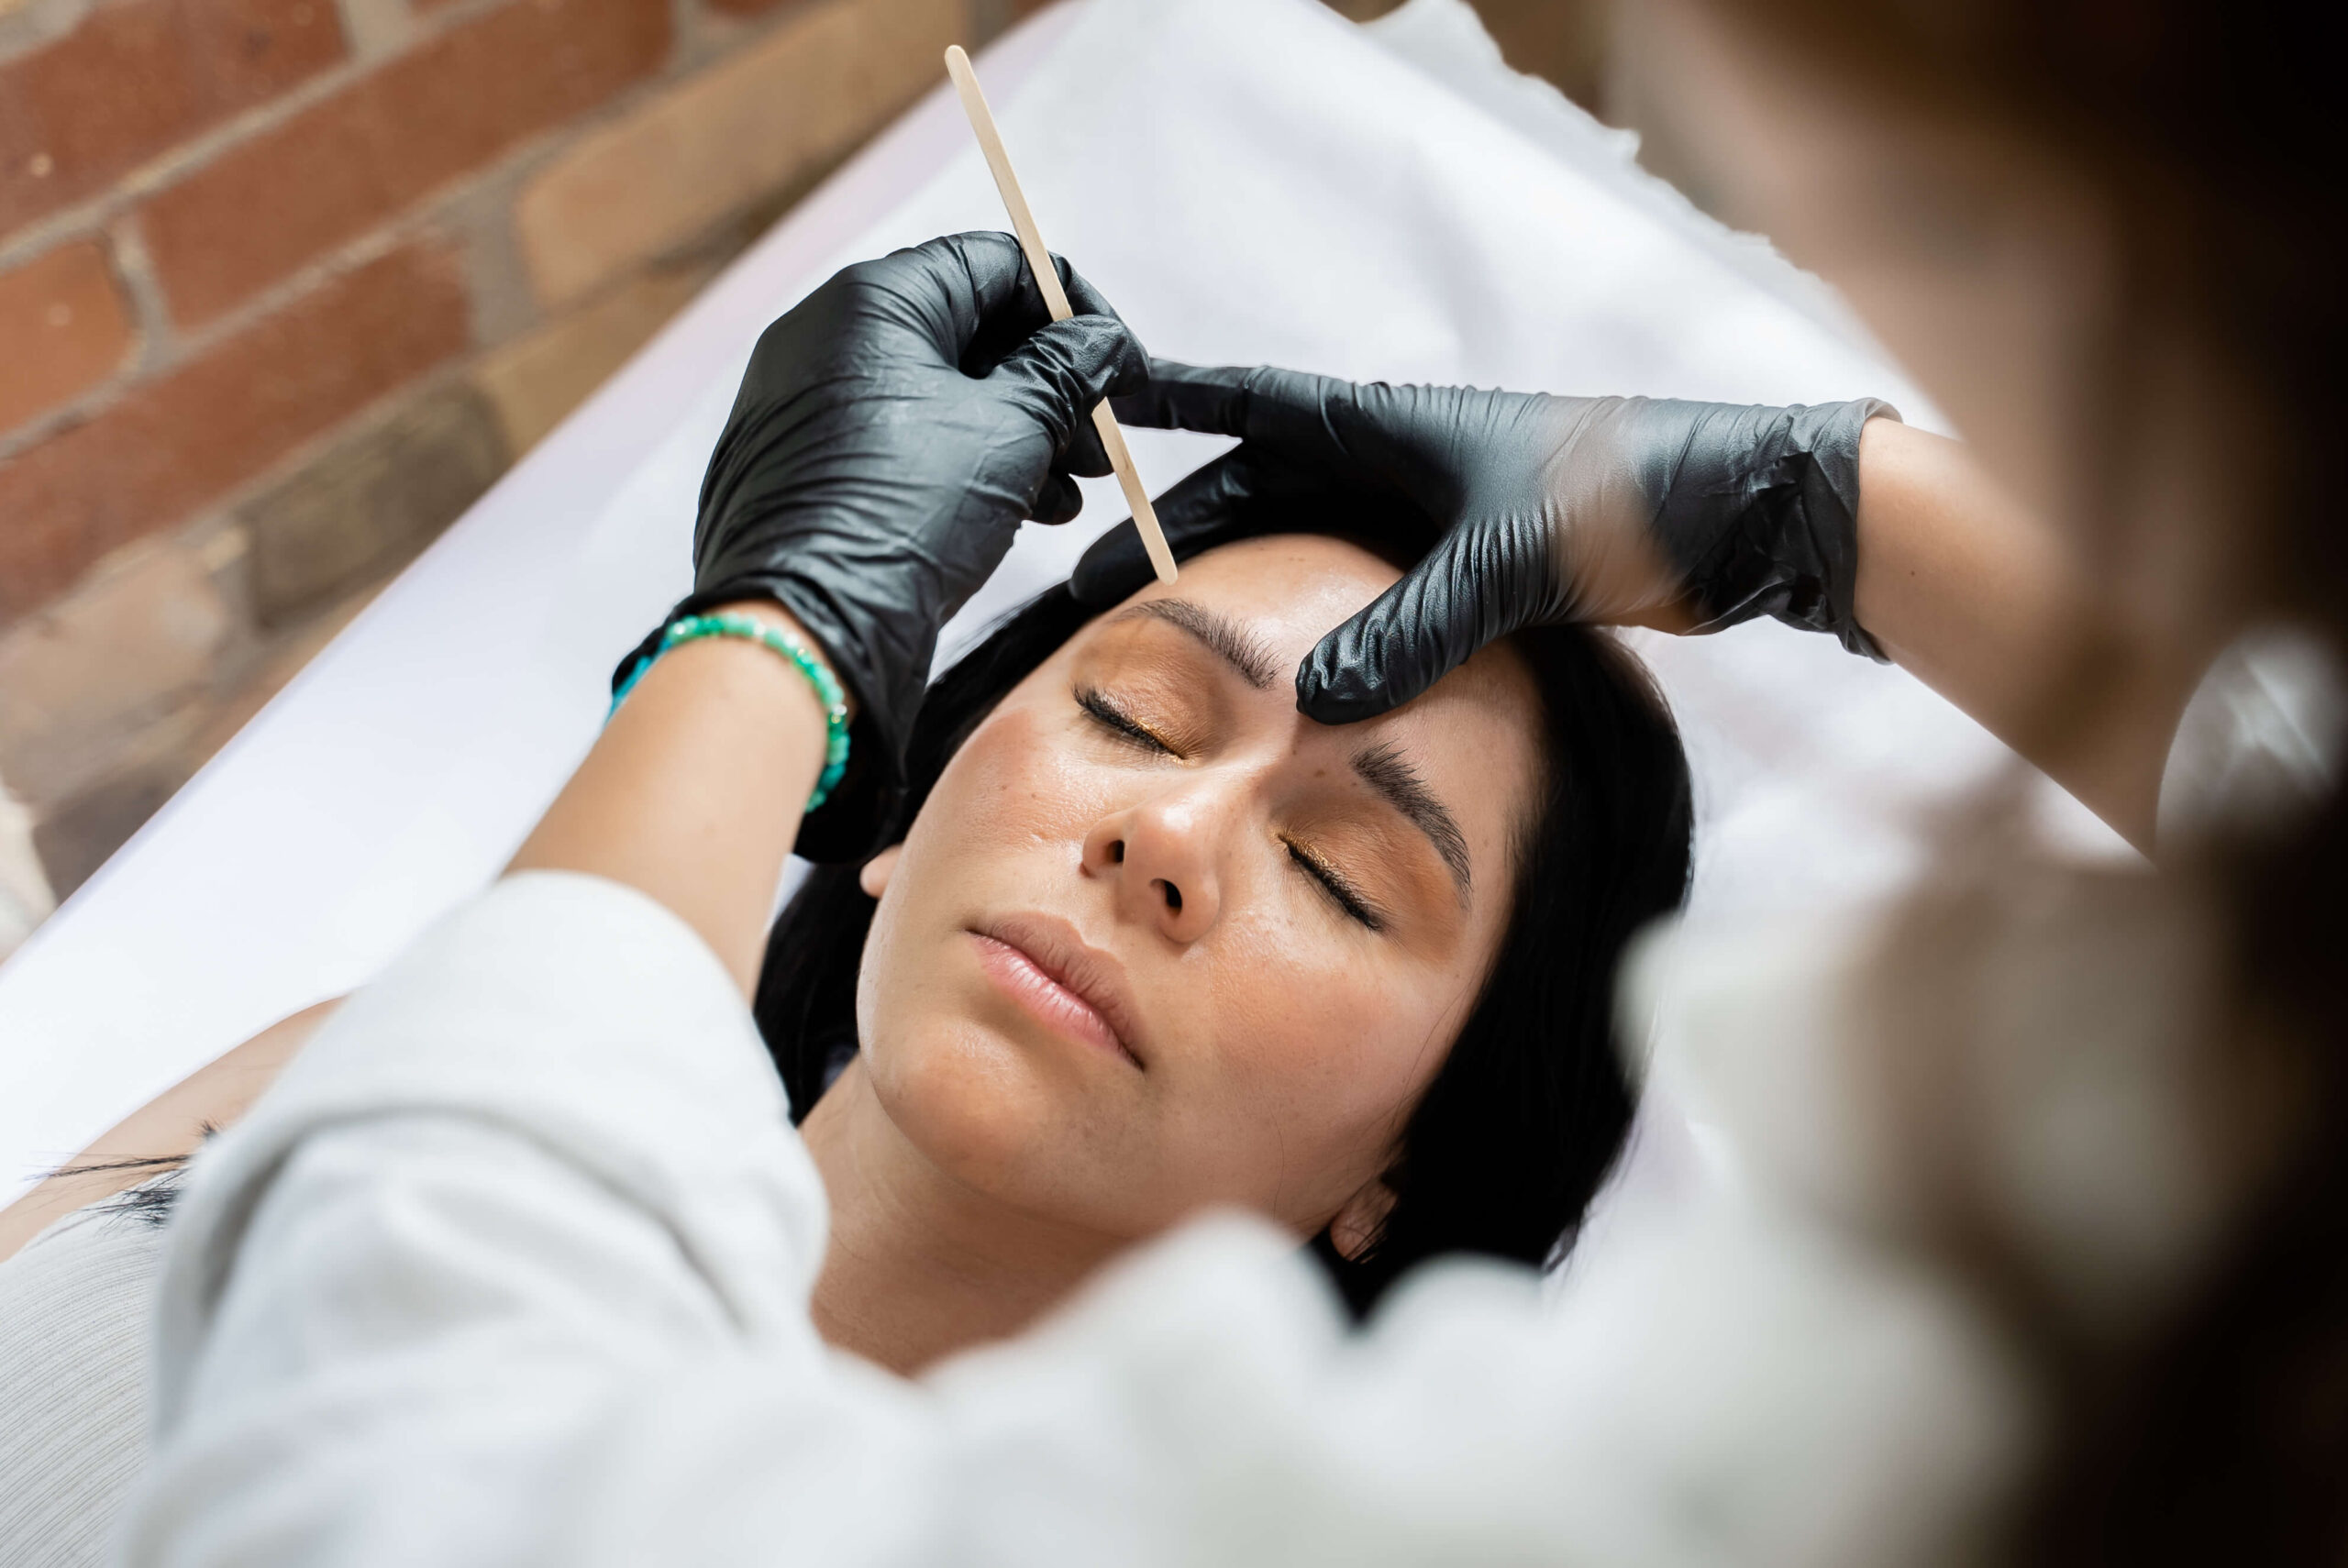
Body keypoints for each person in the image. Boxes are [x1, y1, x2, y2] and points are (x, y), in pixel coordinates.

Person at [119, 0, 2348, 1551]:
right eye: (1133, 709)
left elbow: (389, 1460)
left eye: (1352, 880)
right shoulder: (366, 1064)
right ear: (890, 806)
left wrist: (771, 635)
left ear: (1401, 1167)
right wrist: (1825, 515)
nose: (1165, 838)